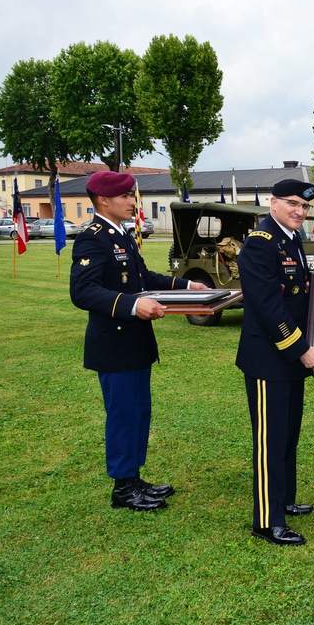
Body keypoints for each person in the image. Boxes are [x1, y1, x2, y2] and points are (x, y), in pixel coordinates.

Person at [70, 170, 206, 512]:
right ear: (104, 200)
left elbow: (144, 277)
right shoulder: (93, 237)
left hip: (135, 342)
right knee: (123, 414)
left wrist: (188, 286)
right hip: (114, 344)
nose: (133, 202)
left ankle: (133, 478)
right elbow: (83, 291)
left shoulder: (123, 235)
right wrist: (133, 304)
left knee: (139, 412)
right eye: (127, 197)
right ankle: (122, 488)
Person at [236, 179, 314, 546]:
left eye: (305, 207)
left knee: (288, 436)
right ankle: (266, 520)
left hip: (288, 360)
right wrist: (300, 347)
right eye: (292, 203)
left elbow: (298, 292)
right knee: (270, 441)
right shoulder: (260, 244)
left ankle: (284, 501)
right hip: (268, 360)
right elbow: (266, 306)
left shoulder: (289, 239)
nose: (299, 211)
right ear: (272, 203)